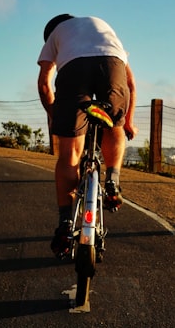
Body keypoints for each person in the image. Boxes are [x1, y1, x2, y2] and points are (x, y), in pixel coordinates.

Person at [38, 14, 137, 257]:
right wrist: (128, 123)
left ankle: (64, 224)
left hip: (74, 71)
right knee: (113, 124)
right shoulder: (101, 23)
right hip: (111, 63)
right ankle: (113, 180)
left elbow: (44, 84)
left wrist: (56, 114)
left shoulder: (55, 34)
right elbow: (131, 84)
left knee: (69, 154)